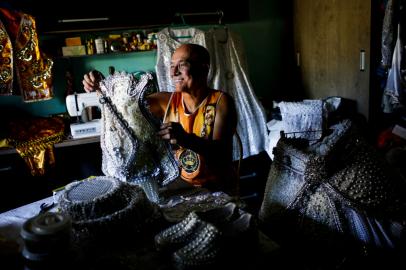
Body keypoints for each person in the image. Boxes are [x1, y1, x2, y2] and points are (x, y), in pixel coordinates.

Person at [83, 43, 238, 194]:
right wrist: (102, 86)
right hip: (184, 186)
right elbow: (125, 105)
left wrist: (185, 139)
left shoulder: (220, 101)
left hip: (218, 188)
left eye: (182, 65)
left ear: (204, 68)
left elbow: (221, 155)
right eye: (172, 65)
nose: (174, 72)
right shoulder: (167, 102)